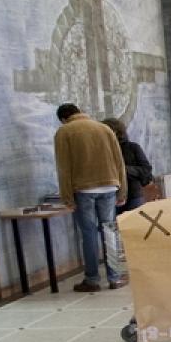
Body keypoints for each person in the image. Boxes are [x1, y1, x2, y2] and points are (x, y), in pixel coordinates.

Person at [54, 103, 127, 292]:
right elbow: (119, 161)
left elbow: (64, 168)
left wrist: (67, 198)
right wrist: (122, 190)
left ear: (63, 119)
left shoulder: (65, 132)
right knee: (109, 231)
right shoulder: (104, 128)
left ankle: (92, 280)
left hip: (84, 189)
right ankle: (115, 278)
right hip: (110, 185)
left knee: (88, 234)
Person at [101, 117, 153, 214]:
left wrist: (122, 170)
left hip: (133, 194)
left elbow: (146, 170)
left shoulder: (132, 147)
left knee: (135, 225)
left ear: (116, 132)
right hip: (110, 195)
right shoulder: (103, 150)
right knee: (112, 226)